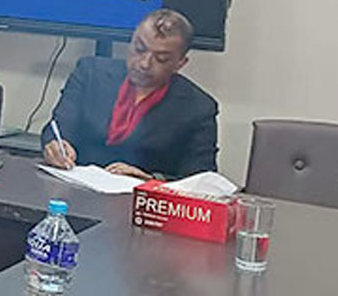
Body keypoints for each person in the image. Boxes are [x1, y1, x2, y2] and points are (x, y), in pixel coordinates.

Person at [41, 9, 218, 180]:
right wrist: (55, 146)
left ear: (180, 63)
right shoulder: (90, 73)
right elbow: (57, 129)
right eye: (139, 49)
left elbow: (201, 180)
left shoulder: (198, 108)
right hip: (75, 189)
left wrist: (150, 180)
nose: (144, 63)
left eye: (161, 59)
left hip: (141, 198)